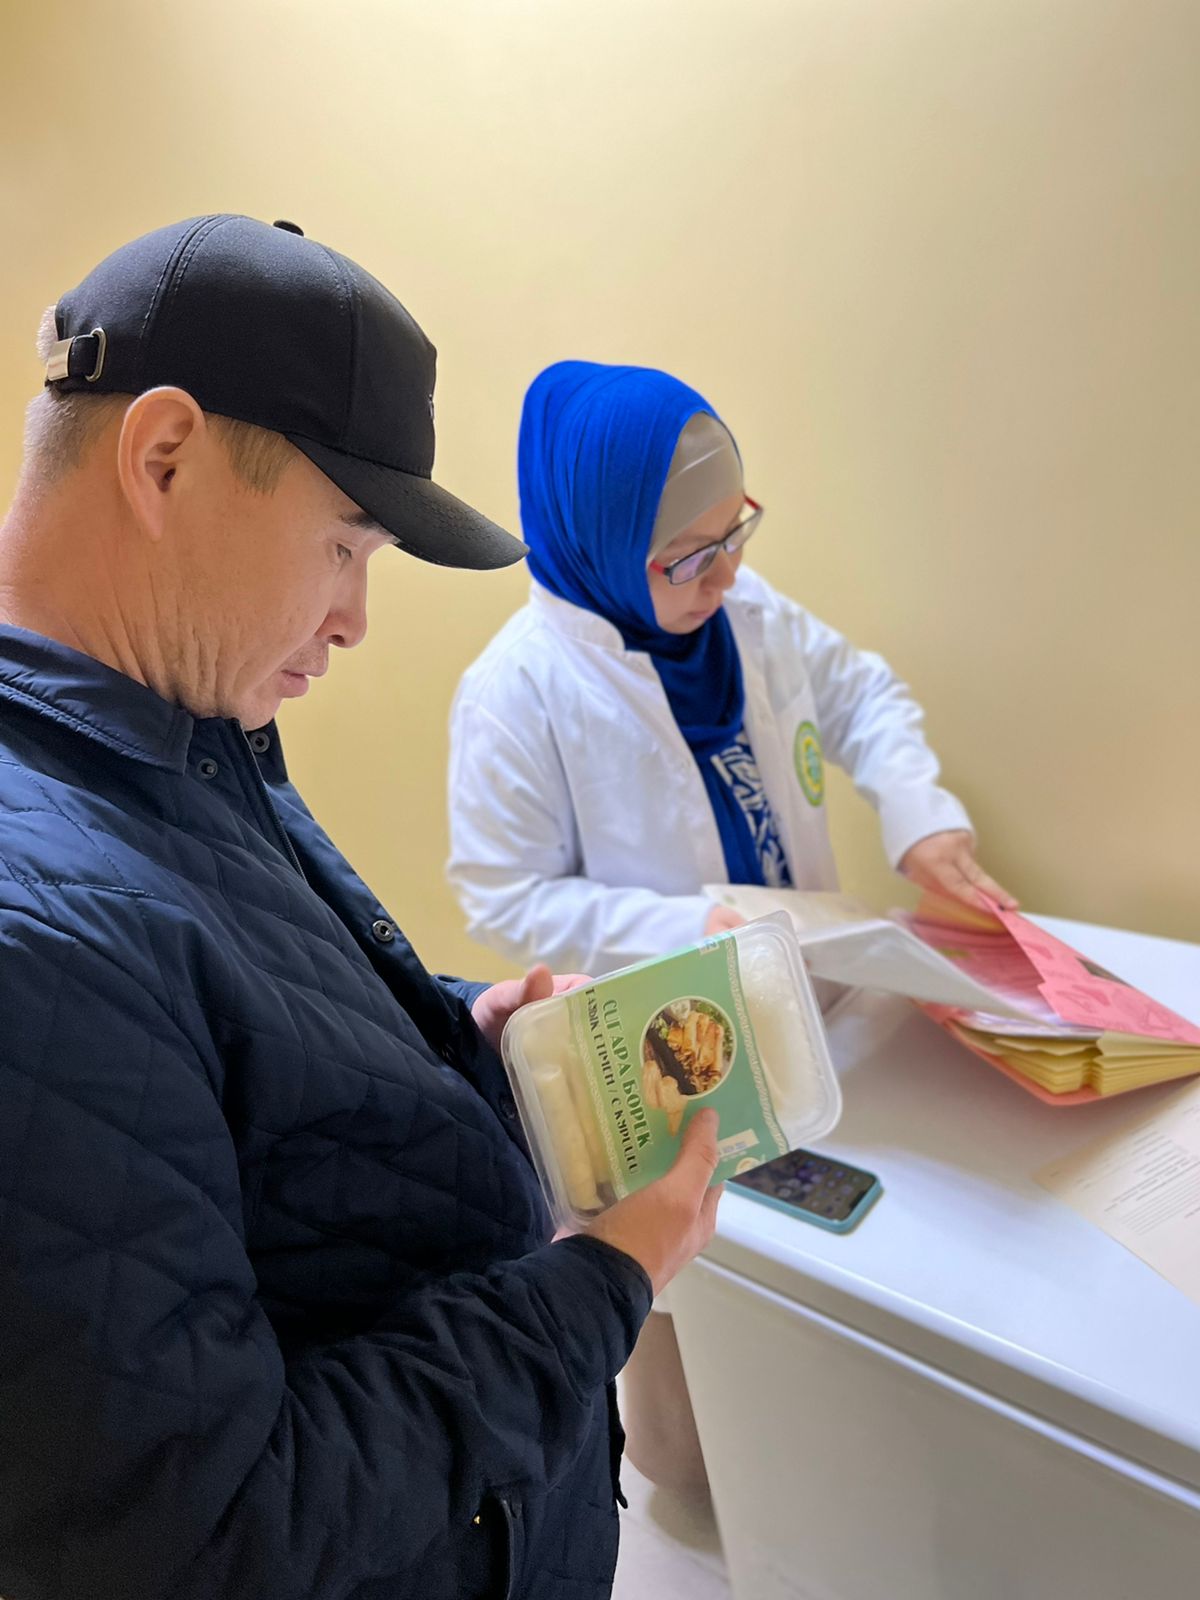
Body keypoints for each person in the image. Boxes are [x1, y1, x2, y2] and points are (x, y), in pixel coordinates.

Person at [0, 220, 723, 1600]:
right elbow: (213, 1540)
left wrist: (460, 1032)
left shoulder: (167, 732)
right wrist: (602, 1280)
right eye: (345, 546)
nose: (354, 620)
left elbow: (227, 1032)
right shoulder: (29, 932)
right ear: (164, 458)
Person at [446, 359, 1014, 1489]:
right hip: (668, 1048)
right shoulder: (518, 693)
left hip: (817, 992)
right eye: (690, 555)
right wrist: (686, 924)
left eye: (735, 532)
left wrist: (920, 819)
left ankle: (831, 1476)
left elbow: (862, 695)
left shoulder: (747, 616)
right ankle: (721, 1487)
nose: (729, 572)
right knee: (692, 1404)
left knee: (836, 1282)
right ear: (602, 542)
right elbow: (504, 892)